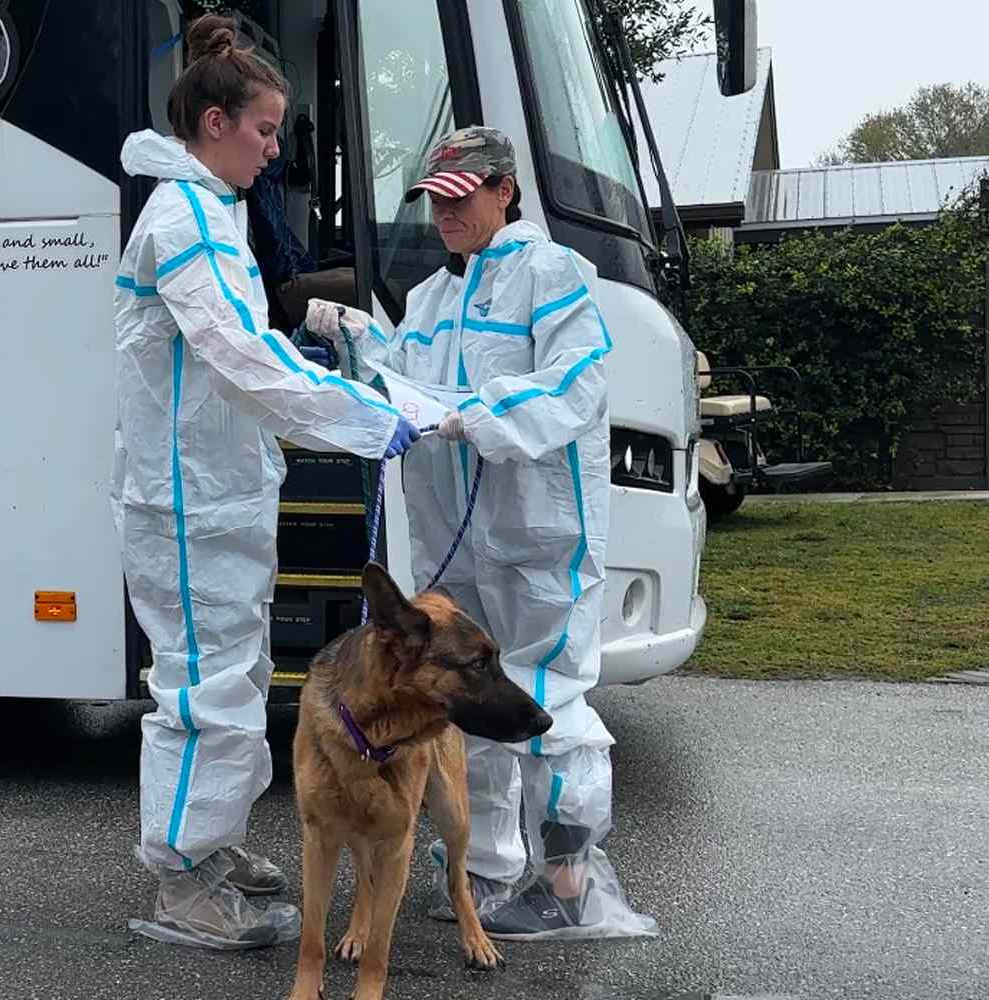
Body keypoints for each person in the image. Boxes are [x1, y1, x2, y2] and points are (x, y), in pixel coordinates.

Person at [111, 14, 419, 950]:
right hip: (188, 500)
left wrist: (322, 328)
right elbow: (238, 358)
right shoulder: (187, 219)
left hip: (218, 491)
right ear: (213, 123)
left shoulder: (217, 213)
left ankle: (209, 846)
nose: (276, 150)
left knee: (234, 676)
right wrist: (365, 419)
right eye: (266, 130)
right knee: (206, 689)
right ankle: (182, 877)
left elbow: (238, 344)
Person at [305, 126, 655, 940]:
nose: (445, 218)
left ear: (504, 189)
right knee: (469, 704)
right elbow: (402, 380)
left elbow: (575, 384)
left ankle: (571, 877)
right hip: (456, 539)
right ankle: (490, 870)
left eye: (460, 201)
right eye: (434, 203)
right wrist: (356, 338)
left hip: (539, 532)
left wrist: (481, 416)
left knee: (549, 693)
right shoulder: (431, 298)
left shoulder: (553, 274)